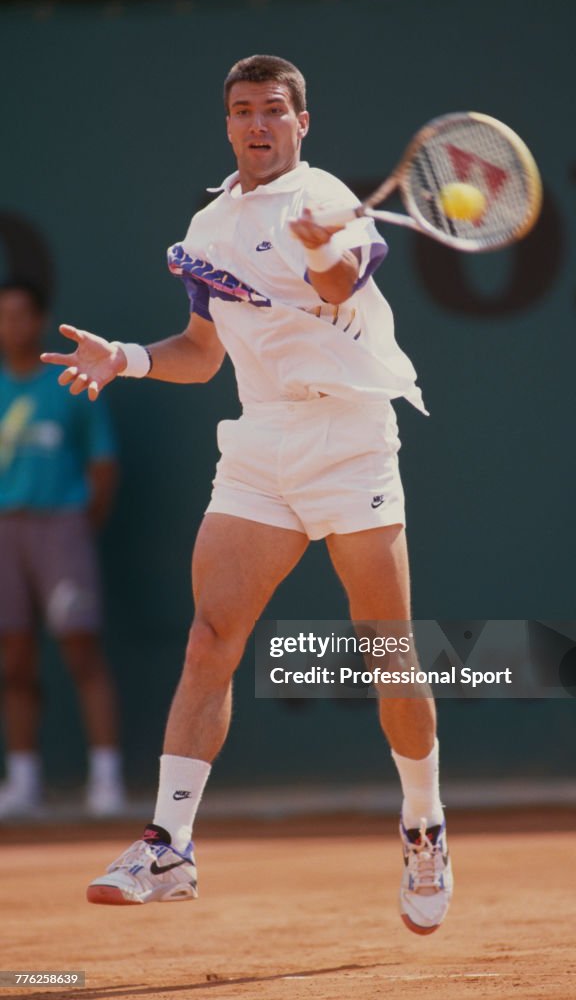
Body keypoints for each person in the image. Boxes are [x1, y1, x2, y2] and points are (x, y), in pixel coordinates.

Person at [42, 55, 452, 933]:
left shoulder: (327, 200)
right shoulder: (208, 223)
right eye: (242, 110)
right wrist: (130, 359)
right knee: (210, 636)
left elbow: (341, 285)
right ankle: (169, 845)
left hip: (349, 440)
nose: (257, 123)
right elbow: (203, 348)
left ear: (303, 121)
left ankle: (422, 822)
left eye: (274, 109)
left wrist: (317, 249)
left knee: (386, 648)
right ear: (226, 125)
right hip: (261, 442)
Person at [0, 281, 126, 817]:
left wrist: (77, 522)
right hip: (5, 532)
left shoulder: (69, 383)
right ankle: (23, 781)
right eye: (2, 317)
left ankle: (106, 779)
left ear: (40, 319)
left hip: (63, 528)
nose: (12, 327)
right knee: (13, 656)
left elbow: (103, 465)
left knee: (80, 648)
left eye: (21, 315)